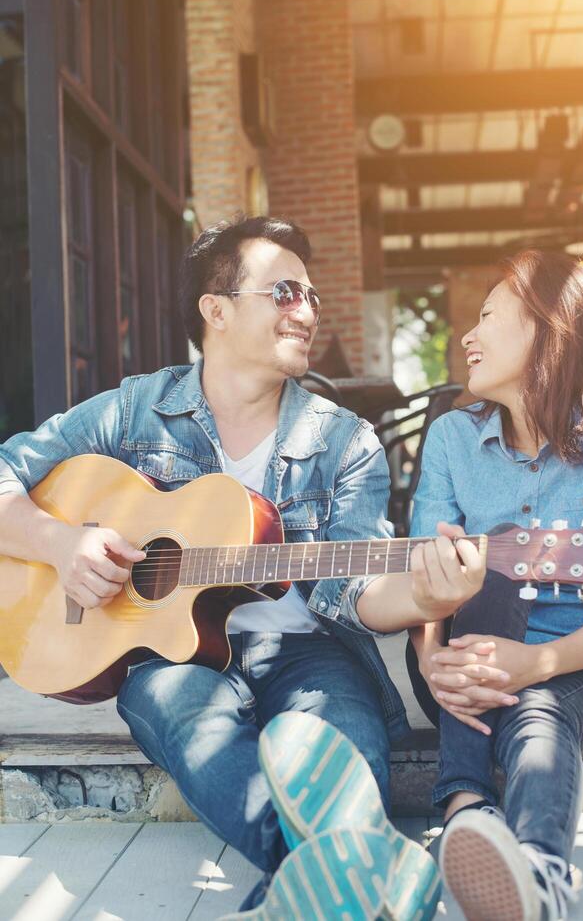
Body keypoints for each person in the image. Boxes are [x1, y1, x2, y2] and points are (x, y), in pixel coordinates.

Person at [0, 215, 463, 919]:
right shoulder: (135, 410)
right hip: (175, 659)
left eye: (310, 295)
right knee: (177, 707)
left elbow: (355, 587)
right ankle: (357, 877)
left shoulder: (346, 443)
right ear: (216, 310)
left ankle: (301, 892)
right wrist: (61, 545)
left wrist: (425, 596)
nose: (305, 311)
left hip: (312, 653)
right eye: (283, 292)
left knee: (340, 744)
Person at [406, 250, 583, 921]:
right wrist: (431, 660)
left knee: (537, 707)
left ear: (548, 328)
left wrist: (538, 661)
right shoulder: (452, 439)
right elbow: (423, 572)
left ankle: (510, 851)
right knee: (480, 581)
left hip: (581, 665)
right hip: (456, 659)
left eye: (488, 315)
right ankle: (471, 811)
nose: (468, 334)